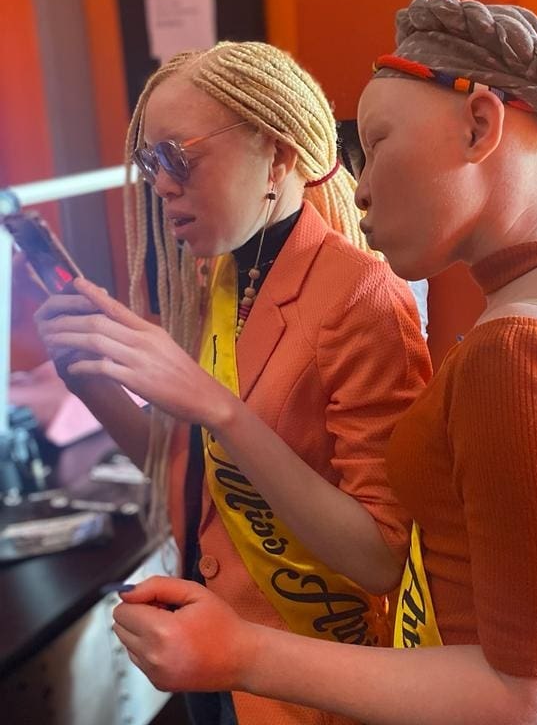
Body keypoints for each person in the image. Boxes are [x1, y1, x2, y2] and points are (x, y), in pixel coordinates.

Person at [53, 0, 537, 725]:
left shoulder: (522, 355)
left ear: (480, 125)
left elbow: (535, 700)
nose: (360, 187)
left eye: (376, 144)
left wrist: (242, 652)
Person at [36, 40, 431, 725]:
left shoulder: (363, 297)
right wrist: (89, 382)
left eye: (177, 158)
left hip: (306, 674)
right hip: (209, 643)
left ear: (276, 156)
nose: (161, 186)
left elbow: (381, 559)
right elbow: (194, 476)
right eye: (149, 164)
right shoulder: (221, 275)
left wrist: (221, 410)